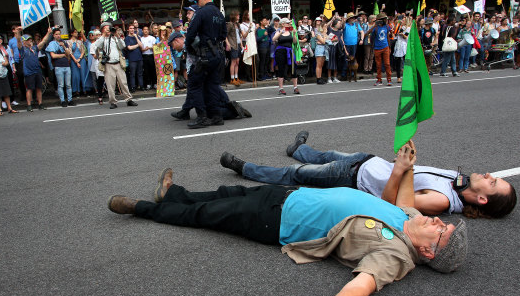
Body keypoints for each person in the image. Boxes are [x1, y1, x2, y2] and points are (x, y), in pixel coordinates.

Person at [107, 142, 469, 296]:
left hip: (279, 222)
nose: (438, 222)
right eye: (444, 221)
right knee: (225, 193)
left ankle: (141, 208)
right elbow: (391, 200)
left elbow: (360, 287)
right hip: (293, 196)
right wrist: (403, 168)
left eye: (442, 232)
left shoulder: (396, 255)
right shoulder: (408, 215)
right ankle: (173, 194)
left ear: (428, 254)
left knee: (207, 215)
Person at [219, 132, 517, 219]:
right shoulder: (457, 179)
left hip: (353, 179)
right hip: (366, 161)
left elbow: (393, 206)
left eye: (493, 183)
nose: (490, 175)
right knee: (323, 154)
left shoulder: (441, 201)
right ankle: (298, 147)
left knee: (295, 175)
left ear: (481, 199)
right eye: (494, 177)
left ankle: (244, 168)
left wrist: (403, 167)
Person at [183, 0, 227, 129]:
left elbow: (190, 34)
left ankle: (202, 117)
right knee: (212, 85)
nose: (197, 3)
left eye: (197, 0)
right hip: (218, 55)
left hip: (204, 55)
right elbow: (223, 35)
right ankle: (216, 116)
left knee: (194, 85)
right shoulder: (219, 14)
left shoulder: (201, 13)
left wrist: (190, 48)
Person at [95, 21, 137, 109]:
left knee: (123, 82)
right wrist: (103, 35)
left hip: (118, 63)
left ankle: (128, 99)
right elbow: (97, 45)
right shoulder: (102, 39)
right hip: (108, 64)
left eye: (109, 28)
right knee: (110, 85)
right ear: (102, 29)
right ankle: (113, 102)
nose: (108, 29)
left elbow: (123, 46)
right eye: (106, 28)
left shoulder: (114, 38)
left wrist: (117, 36)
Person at [14, 27, 52, 111]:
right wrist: (18, 32)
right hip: (29, 72)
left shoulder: (35, 48)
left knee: (39, 88)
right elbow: (18, 42)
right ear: (24, 42)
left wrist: (48, 33)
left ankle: (40, 104)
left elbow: (43, 41)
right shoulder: (22, 49)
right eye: (27, 40)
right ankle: (29, 105)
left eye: (30, 39)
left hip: (37, 71)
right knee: (29, 89)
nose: (30, 40)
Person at [272, 18, 300, 95]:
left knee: (293, 68)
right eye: (287, 23)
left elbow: (294, 42)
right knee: (281, 68)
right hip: (280, 51)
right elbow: (273, 39)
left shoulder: (290, 31)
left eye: (289, 23)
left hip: (290, 51)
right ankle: (281, 88)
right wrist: (281, 32)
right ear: (283, 24)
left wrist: (294, 33)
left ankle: (295, 87)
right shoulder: (278, 31)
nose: (289, 24)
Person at [46, 28, 73, 107]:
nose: (58, 35)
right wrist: (63, 55)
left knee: (68, 84)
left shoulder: (64, 42)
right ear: (53, 35)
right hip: (58, 66)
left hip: (66, 65)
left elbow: (68, 53)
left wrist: (64, 46)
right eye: (56, 34)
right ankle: (62, 100)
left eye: (59, 34)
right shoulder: (52, 44)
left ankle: (70, 99)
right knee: (61, 85)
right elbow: (53, 56)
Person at [366, 12, 392, 86]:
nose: (385, 20)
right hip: (377, 48)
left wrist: (389, 47)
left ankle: (389, 79)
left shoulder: (387, 26)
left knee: (387, 64)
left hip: (385, 47)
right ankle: (379, 79)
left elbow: (388, 37)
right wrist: (372, 45)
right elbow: (369, 35)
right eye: (384, 19)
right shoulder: (376, 28)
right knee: (378, 65)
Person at [340, 13, 364, 78]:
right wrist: (344, 20)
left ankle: (352, 72)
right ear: (349, 19)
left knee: (353, 58)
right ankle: (344, 73)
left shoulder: (356, 24)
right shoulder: (346, 25)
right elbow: (342, 26)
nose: (354, 19)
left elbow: (362, 32)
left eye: (354, 18)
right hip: (346, 45)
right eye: (352, 18)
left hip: (354, 44)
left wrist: (361, 39)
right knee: (346, 58)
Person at [7, 25, 27, 102]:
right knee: (20, 78)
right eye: (16, 29)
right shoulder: (11, 41)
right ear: (13, 31)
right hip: (17, 60)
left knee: (27, 77)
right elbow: (11, 51)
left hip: (24, 59)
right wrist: (13, 62)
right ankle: (23, 94)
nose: (18, 30)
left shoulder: (23, 38)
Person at [67, 29, 88, 98]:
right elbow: (70, 52)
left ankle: (84, 89)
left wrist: (79, 59)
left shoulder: (80, 41)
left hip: (81, 59)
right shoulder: (68, 42)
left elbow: (83, 51)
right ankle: (76, 91)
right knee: (75, 75)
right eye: (75, 32)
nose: (76, 33)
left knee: (83, 74)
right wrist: (76, 60)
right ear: (71, 33)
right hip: (73, 59)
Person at [124, 24, 144, 92]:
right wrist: (137, 45)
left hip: (139, 57)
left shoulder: (137, 37)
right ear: (128, 29)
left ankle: (141, 86)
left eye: (133, 28)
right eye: (130, 28)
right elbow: (129, 48)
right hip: (132, 59)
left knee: (140, 73)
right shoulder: (127, 38)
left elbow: (141, 46)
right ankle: (133, 87)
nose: (132, 29)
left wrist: (136, 37)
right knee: (132, 74)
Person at [226, 10, 243, 86]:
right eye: (238, 15)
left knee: (237, 62)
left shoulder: (237, 25)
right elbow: (225, 35)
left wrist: (241, 44)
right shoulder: (230, 24)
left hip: (238, 44)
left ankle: (236, 77)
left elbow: (240, 35)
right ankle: (232, 78)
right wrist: (228, 43)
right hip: (233, 44)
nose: (239, 16)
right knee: (233, 62)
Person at [140, 25, 157, 90]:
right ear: (142, 31)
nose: (146, 31)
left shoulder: (152, 38)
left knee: (153, 70)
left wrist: (149, 48)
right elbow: (141, 48)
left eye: (147, 29)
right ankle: (148, 84)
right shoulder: (141, 39)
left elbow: (155, 47)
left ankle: (155, 83)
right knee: (146, 71)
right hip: (144, 56)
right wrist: (144, 49)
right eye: (144, 29)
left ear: (149, 31)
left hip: (151, 55)